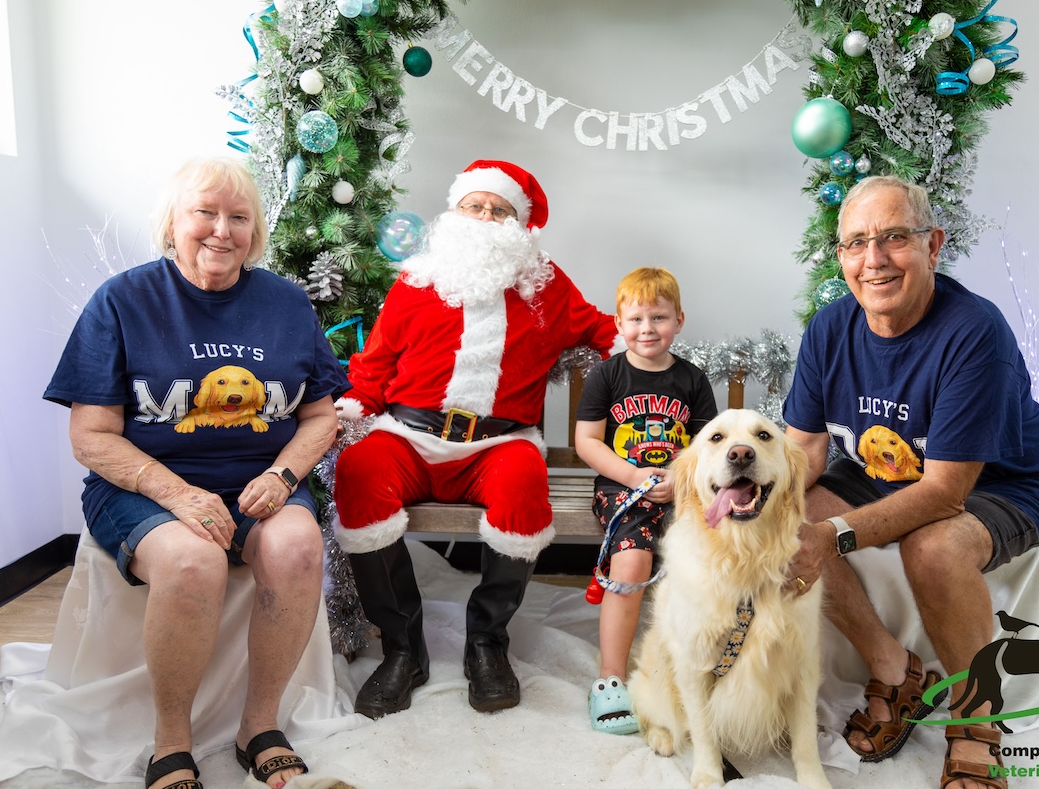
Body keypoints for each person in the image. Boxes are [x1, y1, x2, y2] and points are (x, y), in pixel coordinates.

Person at [43, 158, 350, 789]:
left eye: (239, 217)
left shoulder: (287, 303)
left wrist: (285, 475)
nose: (221, 230)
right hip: (145, 484)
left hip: (260, 478)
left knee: (297, 548)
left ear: (255, 230)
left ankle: (259, 727)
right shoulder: (123, 301)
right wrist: (176, 493)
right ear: (173, 223)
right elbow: (90, 435)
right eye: (204, 213)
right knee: (192, 562)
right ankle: (171, 741)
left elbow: (323, 417)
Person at [781, 175, 1039, 789]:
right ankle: (895, 668)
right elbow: (803, 448)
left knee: (932, 548)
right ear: (840, 256)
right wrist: (755, 503)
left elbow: (944, 494)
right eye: (856, 242)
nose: (874, 260)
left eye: (893, 238)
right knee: (784, 523)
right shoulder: (830, 329)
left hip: (1001, 481)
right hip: (880, 471)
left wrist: (832, 533)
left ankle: (974, 718)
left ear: (933, 245)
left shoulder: (974, 333)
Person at [332, 160, 620, 717]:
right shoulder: (416, 280)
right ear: (455, 211)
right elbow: (375, 364)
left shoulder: (545, 285)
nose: (486, 216)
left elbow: (605, 330)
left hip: (498, 444)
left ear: (519, 224)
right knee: (359, 470)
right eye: (475, 205)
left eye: (500, 209)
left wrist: (647, 342)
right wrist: (351, 410)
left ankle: (487, 642)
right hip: (409, 437)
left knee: (523, 484)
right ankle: (401, 649)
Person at [574, 266, 717, 735]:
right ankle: (611, 677)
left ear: (678, 319)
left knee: (708, 555)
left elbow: (704, 446)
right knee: (632, 560)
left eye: (658, 317)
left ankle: (697, 670)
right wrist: (635, 475)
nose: (647, 329)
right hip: (622, 486)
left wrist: (680, 477)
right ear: (619, 324)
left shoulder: (692, 380)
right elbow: (589, 443)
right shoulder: (607, 376)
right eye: (635, 319)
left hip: (681, 487)